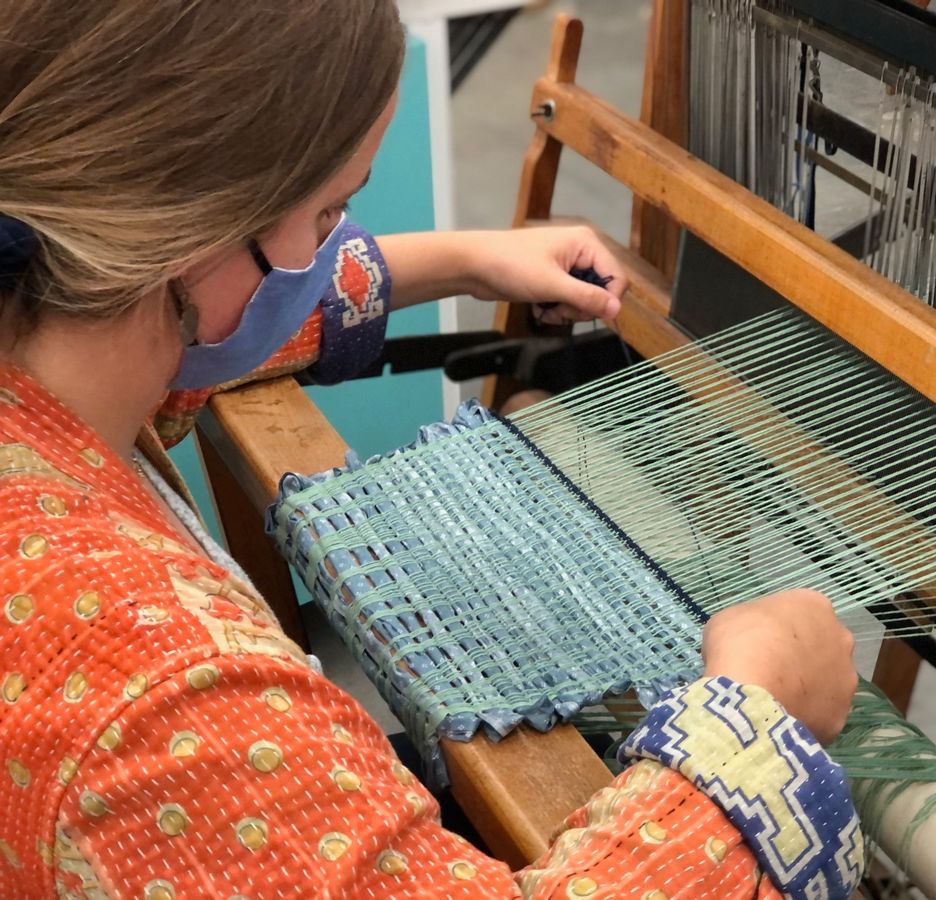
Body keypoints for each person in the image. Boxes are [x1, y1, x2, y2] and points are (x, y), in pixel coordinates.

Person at [0, 2, 863, 897]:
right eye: (330, 208)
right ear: (181, 230)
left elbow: (219, 315)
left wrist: (468, 260)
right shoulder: (158, 707)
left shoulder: (48, 325)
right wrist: (755, 721)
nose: (337, 241)